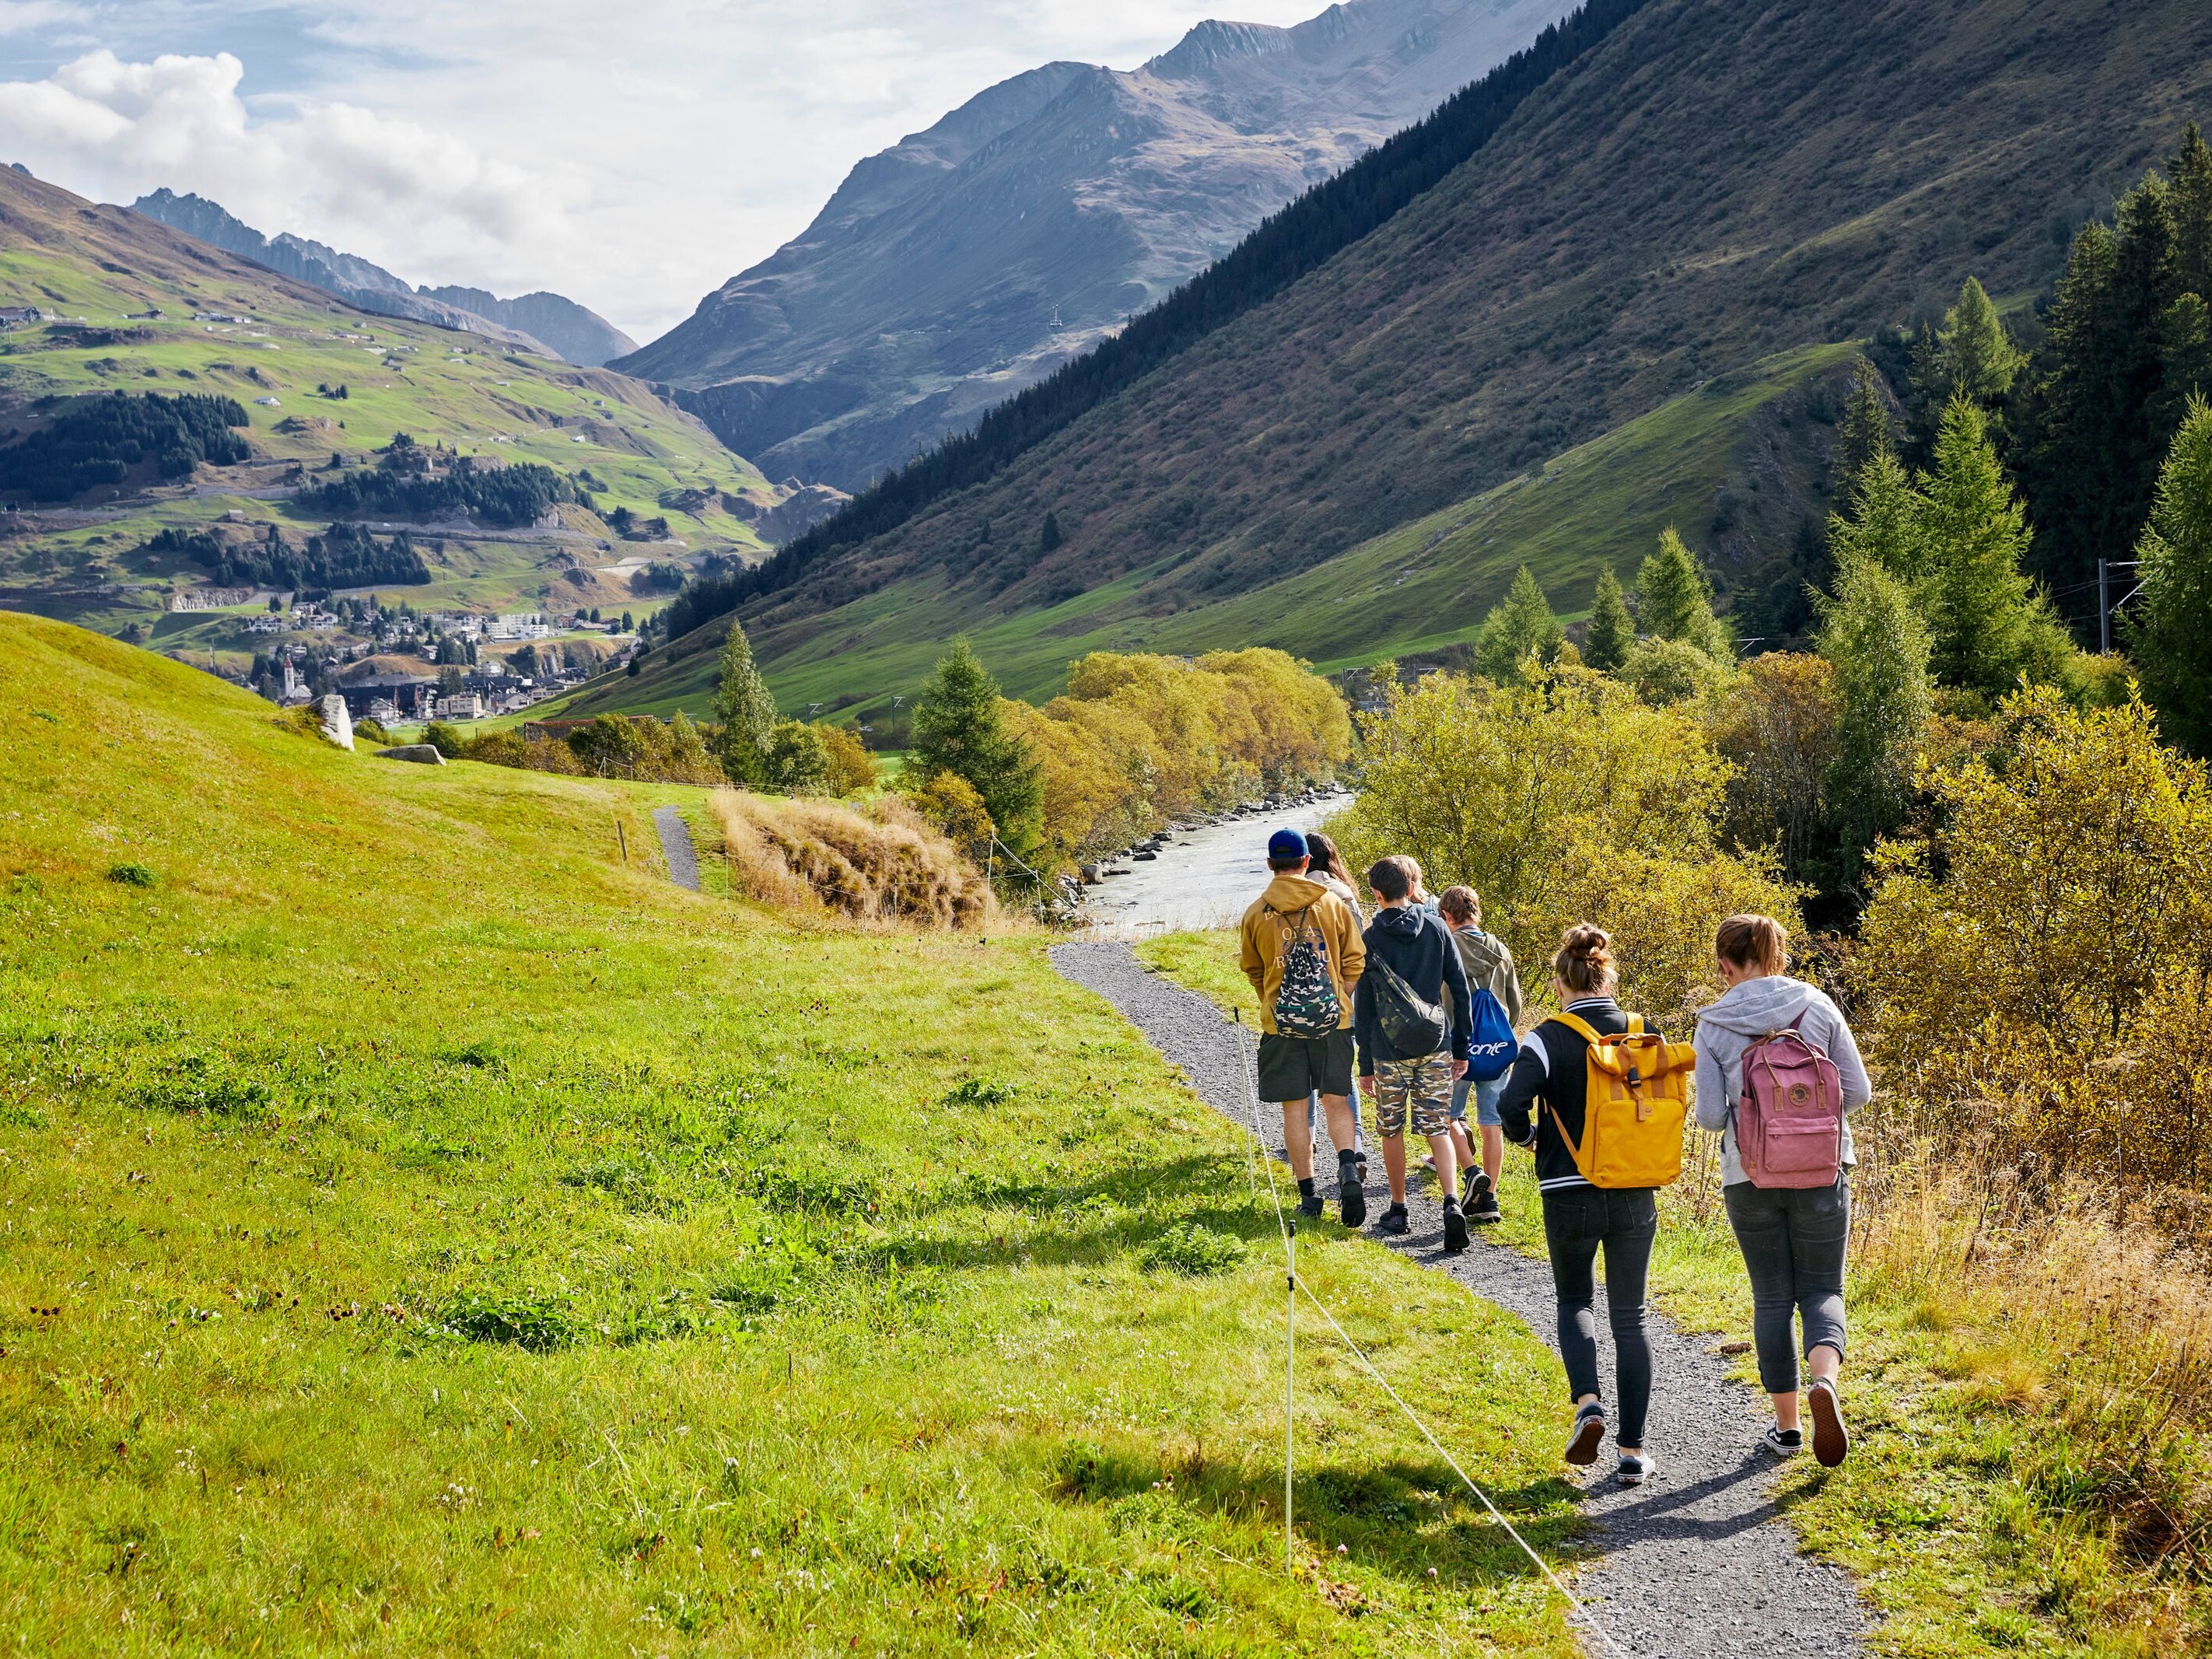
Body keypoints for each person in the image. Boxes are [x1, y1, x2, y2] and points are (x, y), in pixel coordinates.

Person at [1692, 914, 1871, 1468]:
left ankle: (1789, 1428)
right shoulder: (1817, 1007)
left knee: (1773, 1296)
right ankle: (1826, 1382)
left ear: (1726, 965)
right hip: (1822, 1170)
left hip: (1749, 1178)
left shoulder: (1714, 1022)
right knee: (1823, 1288)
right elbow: (1858, 1092)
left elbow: (1709, 1118)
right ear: (1776, 954)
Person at [1497, 925, 1659, 1486]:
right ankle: (1633, 1452)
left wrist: (1529, 1140)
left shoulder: (1546, 1037)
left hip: (1568, 1191)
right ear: (1607, 975)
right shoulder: (1645, 1033)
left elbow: (1510, 1104)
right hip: (1636, 1189)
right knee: (1632, 1317)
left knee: (1574, 1301)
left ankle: (1588, 1403)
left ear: (1561, 979)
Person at [1239, 828, 1368, 1223]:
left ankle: (1309, 1196)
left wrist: (1275, 1002)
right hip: (1334, 1022)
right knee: (1336, 1100)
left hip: (1282, 1028)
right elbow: (1355, 960)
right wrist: (1338, 998)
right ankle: (1348, 1170)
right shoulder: (1331, 903)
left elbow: (1253, 970)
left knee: (1295, 1110)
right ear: (1306, 862)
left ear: (1269, 865)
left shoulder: (1255, 912)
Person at [1353, 855, 1472, 1251]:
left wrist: (1365, 1064)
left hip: (1388, 1051)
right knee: (1438, 1127)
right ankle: (1452, 1202)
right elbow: (1459, 990)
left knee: (1392, 1129)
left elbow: (1366, 1006)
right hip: (1436, 1045)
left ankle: (1398, 1208)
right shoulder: (1438, 929)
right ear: (1412, 888)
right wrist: (1461, 1047)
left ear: (1375, 893)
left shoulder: (1370, 939)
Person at [1438, 885, 1521, 1227]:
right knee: (1492, 1123)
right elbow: (1513, 1003)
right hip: (1496, 1049)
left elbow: (1440, 999)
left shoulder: (1446, 948)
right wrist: (1500, 1034)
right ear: (1476, 911)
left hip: (1457, 1047)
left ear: (1447, 915)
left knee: (1447, 1113)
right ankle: (1489, 1198)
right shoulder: (1499, 949)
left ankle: (1471, 1174)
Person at [1299, 830, 1368, 1180]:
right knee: (1342, 1071)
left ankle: (1306, 1138)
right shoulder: (1345, 895)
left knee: (1304, 1069)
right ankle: (1353, 1145)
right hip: (1343, 991)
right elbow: (1359, 947)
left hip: (1302, 992)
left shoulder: (1293, 894)